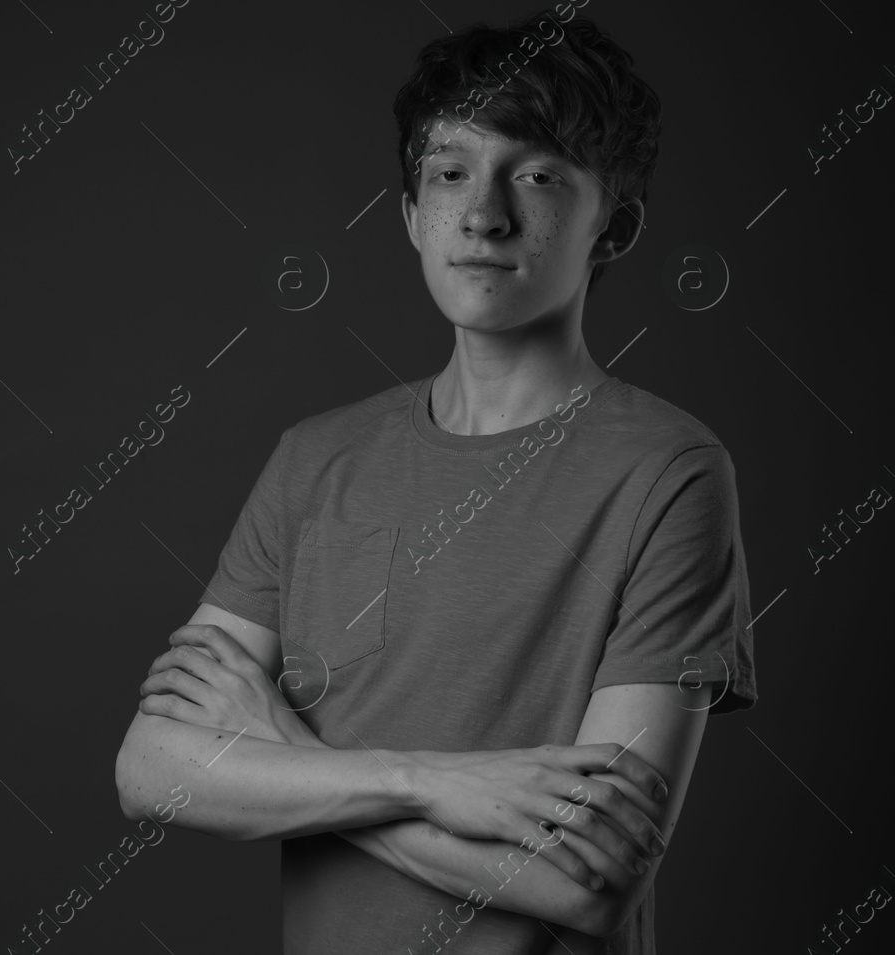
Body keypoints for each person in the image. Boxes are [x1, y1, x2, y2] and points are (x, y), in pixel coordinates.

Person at [112, 7, 758, 953]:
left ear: (613, 226)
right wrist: (430, 781)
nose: (484, 214)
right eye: (449, 173)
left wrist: (289, 755)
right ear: (414, 216)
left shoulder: (669, 472)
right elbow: (151, 767)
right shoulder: (315, 457)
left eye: (536, 176)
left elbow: (587, 882)